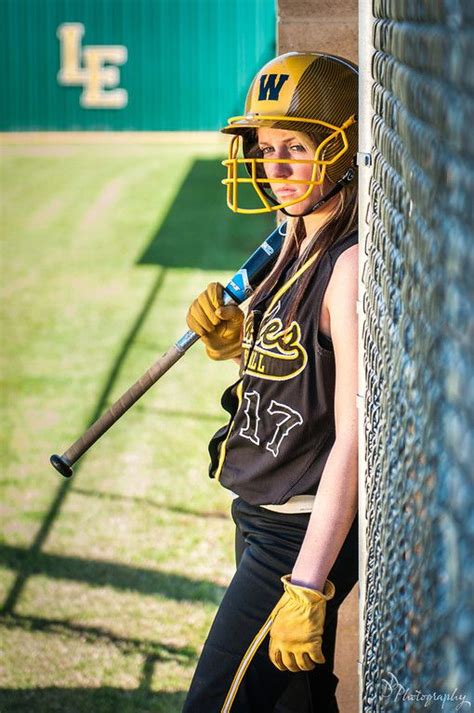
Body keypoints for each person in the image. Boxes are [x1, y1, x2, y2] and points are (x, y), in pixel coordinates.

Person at [182, 51, 359, 713]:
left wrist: (308, 583)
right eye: (264, 147)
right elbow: (300, 379)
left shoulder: (348, 265)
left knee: (216, 703)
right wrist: (237, 347)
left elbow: (352, 440)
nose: (274, 166)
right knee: (298, 704)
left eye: (295, 147)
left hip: (298, 533)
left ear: (340, 148)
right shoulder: (291, 237)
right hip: (257, 513)